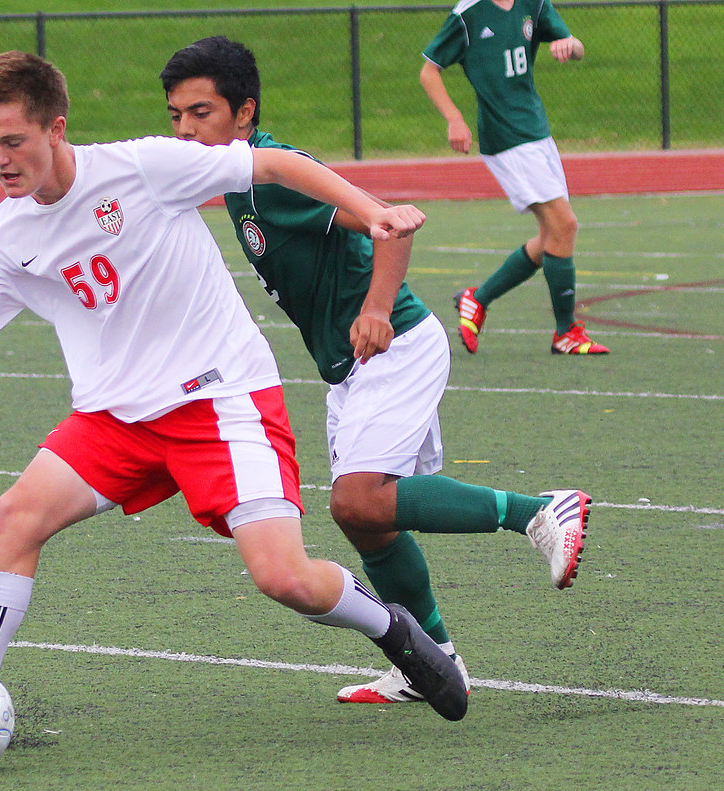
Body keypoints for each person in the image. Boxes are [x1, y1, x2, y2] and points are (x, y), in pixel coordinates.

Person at [0, 50, 470, 753]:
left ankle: (393, 630)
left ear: (55, 128)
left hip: (221, 399)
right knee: (13, 517)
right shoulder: (1, 240)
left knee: (284, 576)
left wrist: (371, 211)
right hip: (116, 419)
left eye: (13, 141)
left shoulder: (141, 166)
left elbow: (273, 165)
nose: (0, 159)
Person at [159, 35, 591, 705]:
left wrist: (378, 308)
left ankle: (540, 511)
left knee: (357, 500)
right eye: (176, 116)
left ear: (244, 114)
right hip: (350, 367)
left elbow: (391, 224)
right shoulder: (234, 182)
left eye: (201, 113)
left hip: (395, 348)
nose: (185, 130)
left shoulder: (270, 174)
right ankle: (431, 661)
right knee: (370, 521)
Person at [420, 0, 608, 355]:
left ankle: (477, 299)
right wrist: (454, 118)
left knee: (552, 234)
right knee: (564, 225)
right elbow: (429, 71)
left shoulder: (533, 4)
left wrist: (569, 44)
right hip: (506, 138)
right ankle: (565, 332)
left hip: (537, 132)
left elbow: (577, 47)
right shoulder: (468, 14)